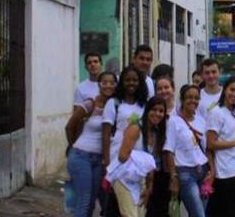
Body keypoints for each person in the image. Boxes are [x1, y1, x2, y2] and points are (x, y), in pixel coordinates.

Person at [65, 72, 117, 217]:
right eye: (104, 82)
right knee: (84, 201)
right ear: (98, 85)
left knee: (92, 202)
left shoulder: (116, 106)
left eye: (112, 82)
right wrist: (73, 146)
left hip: (100, 160)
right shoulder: (90, 104)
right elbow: (69, 126)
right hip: (81, 156)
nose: (108, 85)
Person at [107, 97, 167, 217]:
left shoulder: (156, 134)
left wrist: (149, 187)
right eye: (154, 110)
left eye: (161, 111)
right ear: (147, 110)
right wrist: (144, 159)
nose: (157, 114)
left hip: (140, 180)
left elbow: (151, 164)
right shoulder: (135, 128)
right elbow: (122, 156)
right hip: (123, 177)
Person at [102, 66, 149, 217]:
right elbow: (106, 134)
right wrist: (108, 164)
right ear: (122, 82)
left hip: (139, 165)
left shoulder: (144, 105)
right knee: (128, 211)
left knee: (138, 210)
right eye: (127, 80)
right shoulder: (114, 103)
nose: (131, 83)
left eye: (135, 80)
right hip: (119, 163)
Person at [206, 77, 235, 217]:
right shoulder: (216, 112)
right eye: (232, 90)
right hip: (225, 172)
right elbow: (211, 143)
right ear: (224, 89)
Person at [166, 84, 215, 217]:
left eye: (196, 98)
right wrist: (173, 176)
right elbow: (169, 151)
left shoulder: (201, 121)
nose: (193, 101)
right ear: (182, 99)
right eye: (189, 97)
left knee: (201, 213)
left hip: (204, 171)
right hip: (186, 174)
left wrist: (212, 171)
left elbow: (207, 149)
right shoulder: (173, 122)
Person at [145, 76, 177, 216]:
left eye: (167, 87)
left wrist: (173, 176)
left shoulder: (179, 112)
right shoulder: (143, 126)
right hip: (147, 174)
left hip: (167, 171)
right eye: (159, 88)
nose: (163, 91)